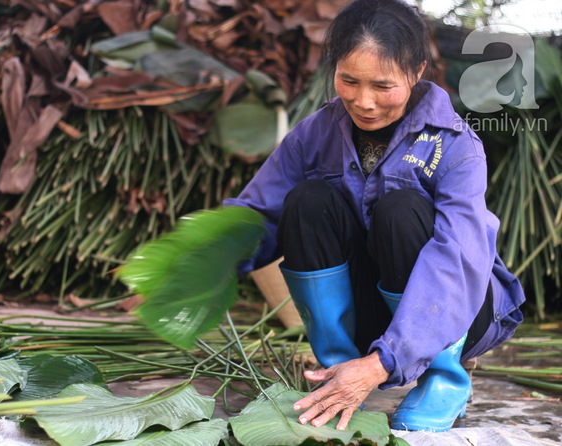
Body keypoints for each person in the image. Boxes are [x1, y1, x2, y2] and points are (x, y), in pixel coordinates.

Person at [223, 0, 525, 433]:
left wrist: (384, 361)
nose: (364, 102)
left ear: (417, 72)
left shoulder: (456, 146)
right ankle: (338, 370)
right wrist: (210, 256)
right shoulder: (316, 132)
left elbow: (458, 258)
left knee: (400, 209)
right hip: (372, 310)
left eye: (383, 86)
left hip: (457, 306)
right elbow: (259, 211)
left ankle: (445, 377)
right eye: (349, 80)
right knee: (307, 201)